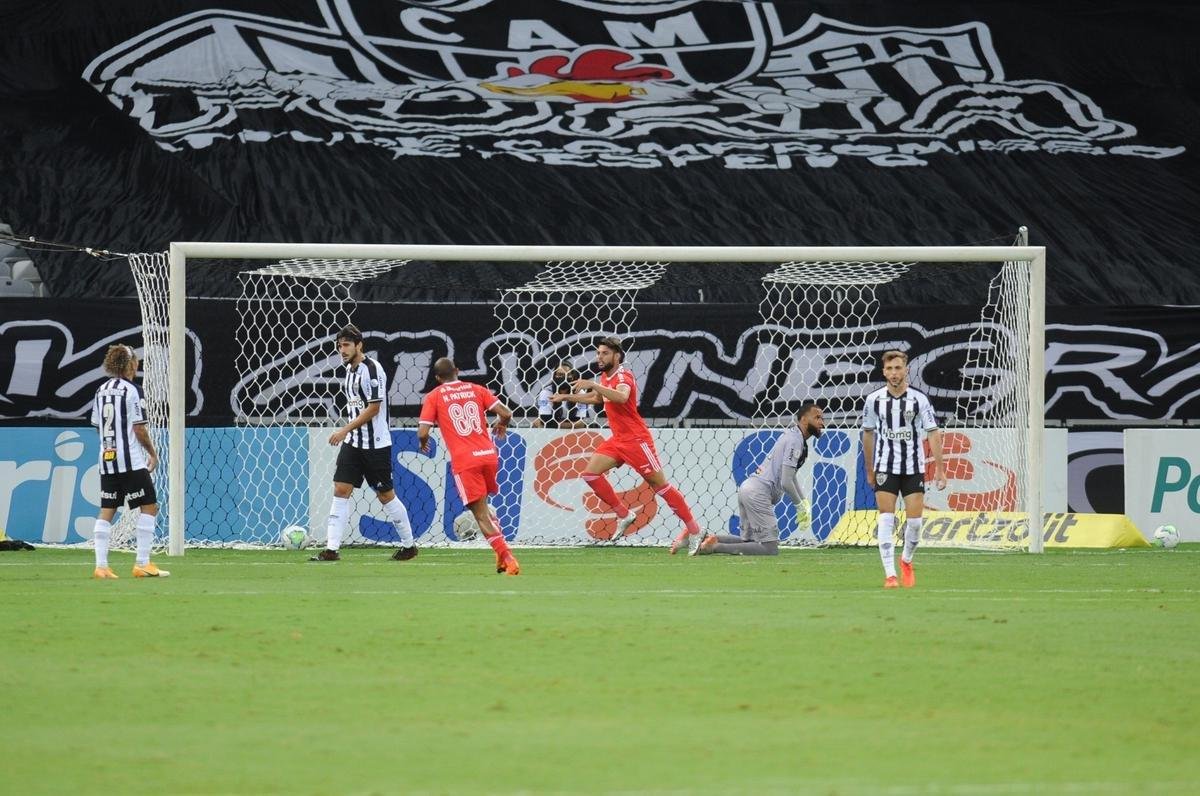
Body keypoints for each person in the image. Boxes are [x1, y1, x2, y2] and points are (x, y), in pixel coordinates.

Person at [550, 336, 702, 553]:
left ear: (617, 355)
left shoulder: (623, 375)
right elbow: (597, 399)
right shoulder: (605, 376)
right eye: (598, 353)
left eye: (604, 353)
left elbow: (622, 397)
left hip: (636, 440)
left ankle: (694, 530)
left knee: (660, 486)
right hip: (618, 440)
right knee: (590, 474)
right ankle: (623, 514)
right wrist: (567, 398)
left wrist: (593, 384)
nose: (599, 357)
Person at [311, 324, 417, 562]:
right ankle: (331, 549)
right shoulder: (349, 370)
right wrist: (348, 433)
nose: (342, 350)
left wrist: (343, 430)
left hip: (376, 445)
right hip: (354, 443)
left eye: (347, 345)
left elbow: (374, 408)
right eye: (339, 346)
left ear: (359, 345)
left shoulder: (372, 369)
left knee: (385, 495)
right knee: (340, 488)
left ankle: (409, 547)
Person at [418, 357, 520, 575]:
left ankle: (508, 558)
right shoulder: (477, 389)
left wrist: (424, 443)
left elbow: (423, 432)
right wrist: (502, 425)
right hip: (488, 455)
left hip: (466, 461)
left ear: (437, 378)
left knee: (480, 514)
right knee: (485, 507)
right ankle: (500, 557)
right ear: (457, 370)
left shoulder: (434, 396)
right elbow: (506, 413)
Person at [692, 400, 826, 557]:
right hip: (758, 493)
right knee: (770, 549)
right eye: (817, 418)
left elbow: (791, 475)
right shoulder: (795, 441)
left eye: (822, 419)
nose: (822, 423)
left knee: (748, 543)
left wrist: (804, 502)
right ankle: (713, 547)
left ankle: (703, 538)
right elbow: (785, 481)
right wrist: (799, 505)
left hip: (748, 488)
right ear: (803, 419)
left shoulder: (794, 437)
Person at [861, 350, 946, 589]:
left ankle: (906, 560)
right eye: (889, 369)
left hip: (912, 467)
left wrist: (940, 469)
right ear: (883, 372)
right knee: (886, 518)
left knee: (915, 523)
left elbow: (933, 432)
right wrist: (869, 469)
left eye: (898, 368)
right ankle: (890, 575)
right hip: (885, 466)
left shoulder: (919, 400)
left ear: (906, 369)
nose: (894, 373)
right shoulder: (874, 400)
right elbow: (868, 433)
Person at [89, 344, 166, 578]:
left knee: (107, 510)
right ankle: (142, 563)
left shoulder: (101, 390)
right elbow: (139, 428)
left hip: (107, 459)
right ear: (131, 364)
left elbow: (97, 427)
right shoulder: (132, 390)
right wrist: (152, 453)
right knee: (149, 506)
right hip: (130, 460)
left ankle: (101, 567)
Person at [531, 362, 591, 429]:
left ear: (572, 376)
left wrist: (548, 424)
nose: (564, 378)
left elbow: (579, 420)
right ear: (554, 376)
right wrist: (574, 425)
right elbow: (545, 420)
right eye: (560, 374)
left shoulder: (580, 393)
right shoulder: (546, 392)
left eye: (567, 374)